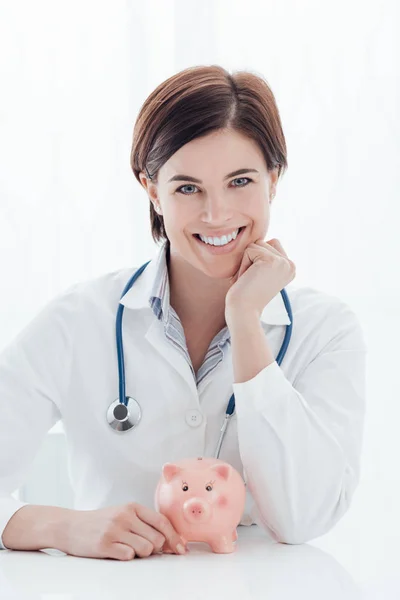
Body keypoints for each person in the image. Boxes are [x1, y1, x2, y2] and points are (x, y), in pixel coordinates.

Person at [0, 65, 367, 560]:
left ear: (273, 180)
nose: (216, 214)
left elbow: (305, 518)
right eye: (187, 188)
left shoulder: (326, 331)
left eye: (240, 181)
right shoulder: (77, 321)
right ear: (151, 189)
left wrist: (245, 322)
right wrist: (60, 525)